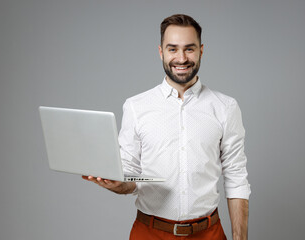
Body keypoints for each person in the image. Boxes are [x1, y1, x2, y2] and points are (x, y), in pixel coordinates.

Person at [83, 14, 251, 240]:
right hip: (149, 233)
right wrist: (117, 184)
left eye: (189, 49)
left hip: (208, 233)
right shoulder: (136, 107)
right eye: (172, 49)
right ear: (161, 52)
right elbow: (131, 178)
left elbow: (236, 177)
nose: (181, 58)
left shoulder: (225, 107)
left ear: (201, 50)